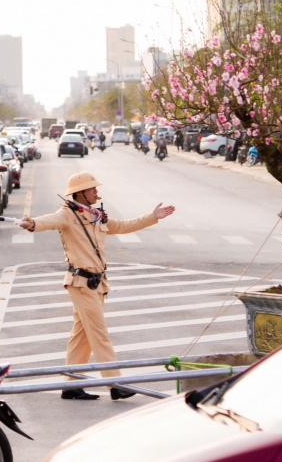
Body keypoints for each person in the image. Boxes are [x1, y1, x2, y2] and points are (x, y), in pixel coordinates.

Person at [20, 172, 175, 401]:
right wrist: (32, 224)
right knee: (100, 334)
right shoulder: (67, 215)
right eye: (92, 189)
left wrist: (153, 216)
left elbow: (123, 226)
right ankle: (115, 384)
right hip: (81, 283)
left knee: (81, 335)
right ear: (80, 193)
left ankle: (71, 385)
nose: (97, 193)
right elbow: (49, 220)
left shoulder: (95, 216)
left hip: (97, 283)